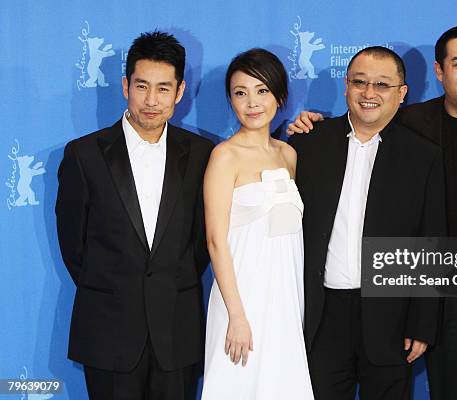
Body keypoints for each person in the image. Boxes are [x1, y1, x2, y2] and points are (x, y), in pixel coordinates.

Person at [287, 26, 457, 400]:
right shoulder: (410, 121)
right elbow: (363, 120)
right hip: (444, 290)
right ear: (439, 70)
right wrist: (309, 124)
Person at [55, 31, 213, 399]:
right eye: (142, 86)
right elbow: (74, 248)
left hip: (176, 332)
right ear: (126, 86)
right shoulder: (84, 155)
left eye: (163, 88)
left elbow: (202, 242)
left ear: (179, 91)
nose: (152, 101)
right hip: (108, 332)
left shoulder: (203, 154)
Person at [289, 46, 445, 400]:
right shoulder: (308, 142)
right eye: (359, 82)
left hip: (391, 317)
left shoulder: (424, 156)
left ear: (402, 93)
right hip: (321, 316)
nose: (369, 93)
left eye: (381, 85)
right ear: (346, 86)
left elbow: (432, 241)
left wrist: (422, 323)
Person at [201, 48, 314, 399]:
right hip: (242, 301)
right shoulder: (224, 156)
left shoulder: (289, 154)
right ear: (231, 101)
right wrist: (236, 315)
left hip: (286, 299)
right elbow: (215, 240)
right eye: (240, 92)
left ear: (279, 96)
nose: (252, 102)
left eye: (262, 90)